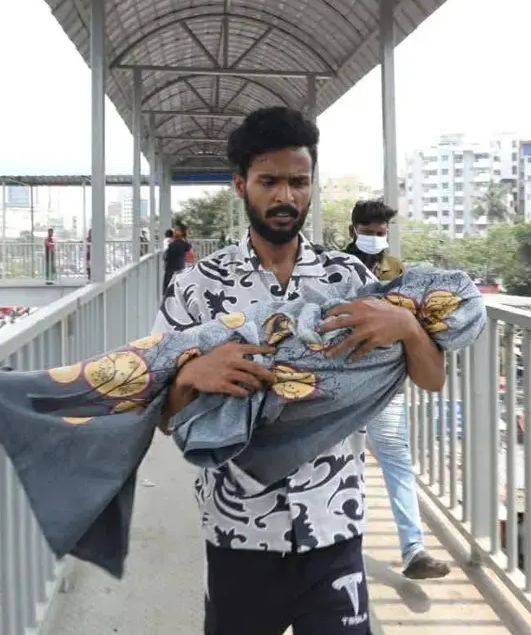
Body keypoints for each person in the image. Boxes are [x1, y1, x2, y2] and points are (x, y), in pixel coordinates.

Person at [154, 106, 446, 635]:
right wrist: (193, 375)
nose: (285, 196)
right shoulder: (197, 286)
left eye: (298, 181)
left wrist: (408, 326)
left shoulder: (351, 277)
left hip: (335, 522)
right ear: (240, 184)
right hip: (238, 529)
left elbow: (431, 379)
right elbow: (157, 412)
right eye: (269, 181)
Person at [340, 199, 451, 579]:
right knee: (343, 461)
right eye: (368, 231)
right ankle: (342, 545)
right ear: (353, 230)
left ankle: (414, 550)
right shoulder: (331, 268)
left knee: (396, 458)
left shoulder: (397, 271)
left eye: (381, 232)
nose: (375, 237)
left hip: (386, 381)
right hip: (343, 381)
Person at [162, 224, 192, 295]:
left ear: (182, 233)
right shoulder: (172, 241)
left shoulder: (181, 243)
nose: (175, 231)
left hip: (177, 267)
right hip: (172, 266)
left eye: (177, 230)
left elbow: (188, 248)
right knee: (171, 284)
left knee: (174, 285)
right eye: (175, 230)